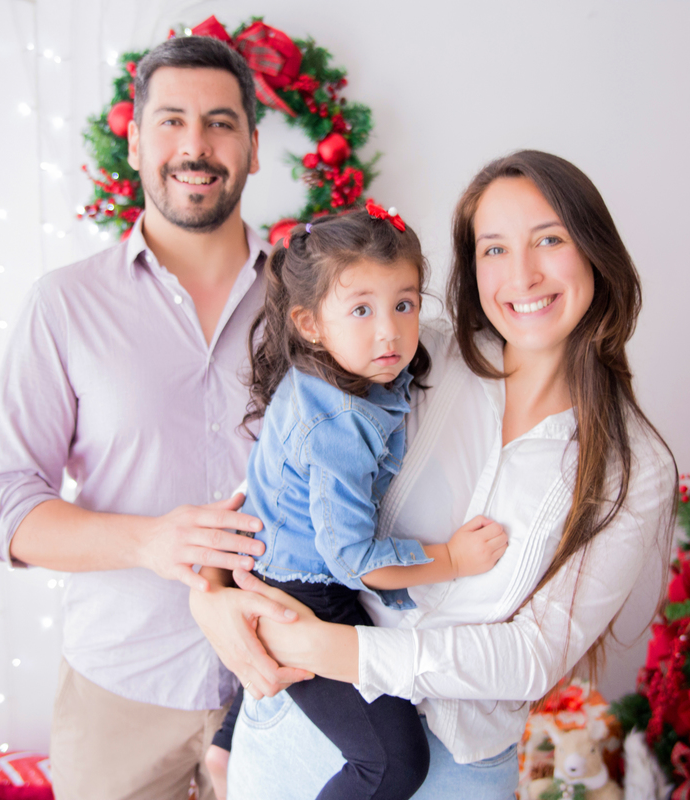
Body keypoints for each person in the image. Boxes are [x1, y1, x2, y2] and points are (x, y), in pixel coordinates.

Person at [189, 150, 678, 798]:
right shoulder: (415, 359)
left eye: (549, 239)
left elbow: (534, 655)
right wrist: (212, 599)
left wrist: (328, 650)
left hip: (457, 767)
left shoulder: (633, 466)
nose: (523, 274)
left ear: (594, 250)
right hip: (302, 723)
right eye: (494, 248)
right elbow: (273, 493)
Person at [0, 36, 306, 800]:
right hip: (120, 688)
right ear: (134, 141)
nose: (196, 145)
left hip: (292, 684)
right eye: (172, 121)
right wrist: (150, 540)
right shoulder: (65, 304)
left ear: (254, 147)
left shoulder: (311, 301)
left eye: (221, 123)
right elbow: (0, 504)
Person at [204, 208, 509, 800]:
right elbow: (354, 560)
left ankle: (226, 741)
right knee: (395, 762)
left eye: (405, 304)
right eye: (362, 309)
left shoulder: (337, 375)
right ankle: (229, 741)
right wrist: (452, 558)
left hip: (271, 563)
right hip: (306, 589)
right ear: (311, 322)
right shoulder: (338, 421)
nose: (390, 333)